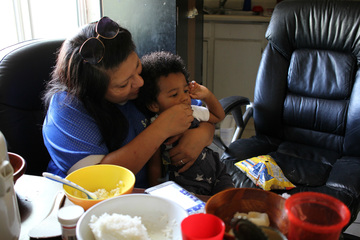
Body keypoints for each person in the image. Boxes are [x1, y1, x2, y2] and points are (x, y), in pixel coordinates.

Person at [42, 17, 215, 188]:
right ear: (93, 91)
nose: (139, 82)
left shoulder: (142, 79)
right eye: (123, 84)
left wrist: (201, 135)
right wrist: (162, 128)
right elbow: (100, 182)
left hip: (158, 188)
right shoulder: (67, 110)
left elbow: (202, 115)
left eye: (137, 66)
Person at [137, 51, 234, 195]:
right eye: (174, 94)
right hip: (187, 186)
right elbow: (154, 166)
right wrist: (155, 194)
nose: (184, 98)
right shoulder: (156, 127)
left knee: (231, 202)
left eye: (185, 90)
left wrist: (207, 95)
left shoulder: (193, 111)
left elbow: (218, 116)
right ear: (154, 105)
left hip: (217, 171)